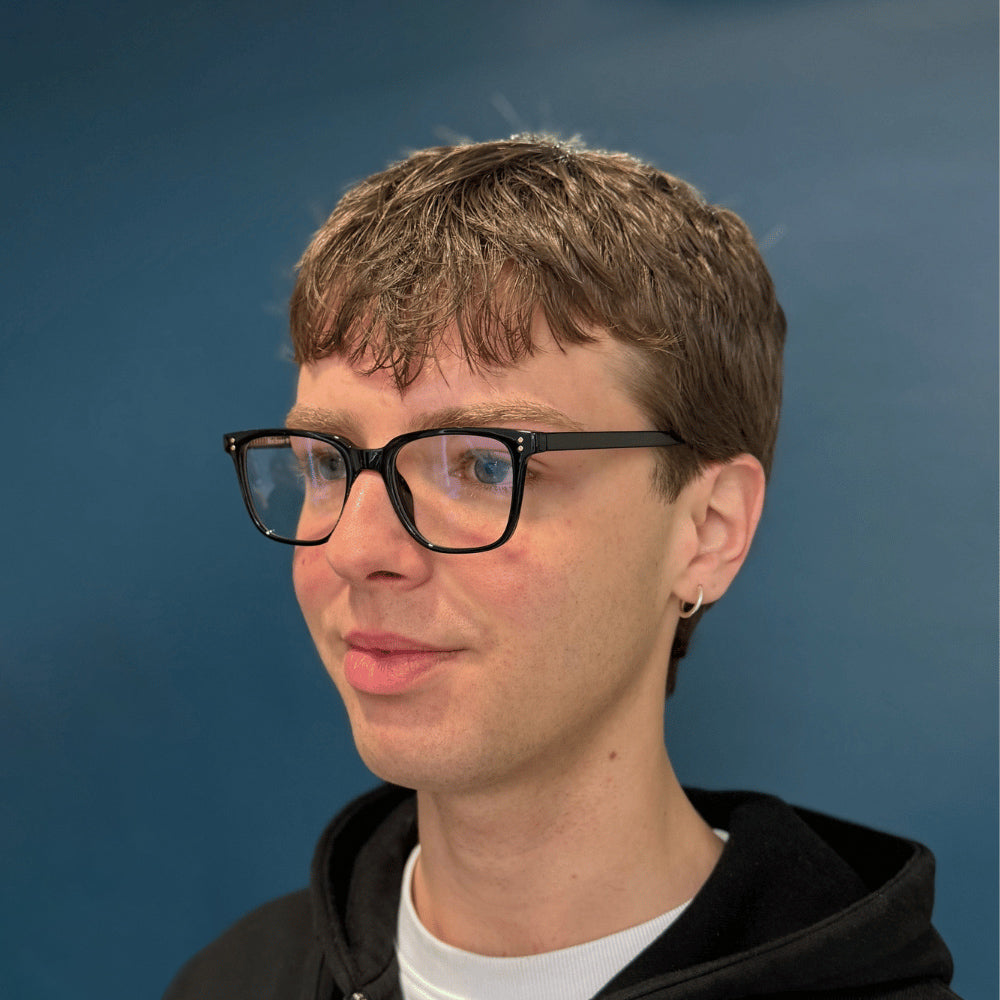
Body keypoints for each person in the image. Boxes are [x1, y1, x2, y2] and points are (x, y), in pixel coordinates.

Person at [164, 137, 958, 999]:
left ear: (708, 530)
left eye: (482, 465)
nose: (355, 551)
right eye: (325, 463)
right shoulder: (231, 983)